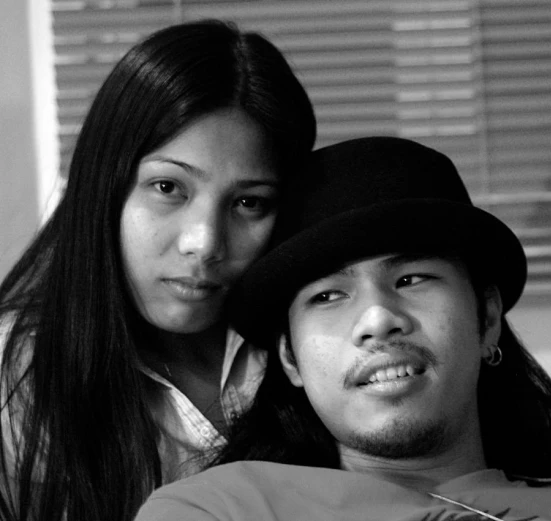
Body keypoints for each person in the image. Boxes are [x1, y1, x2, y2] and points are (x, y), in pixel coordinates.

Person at [133, 137, 551, 521]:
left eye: (412, 277)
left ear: (488, 317)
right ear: (289, 360)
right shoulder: (217, 511)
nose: (378, 319)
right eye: (329, 295)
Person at [0, 19, 315, 521]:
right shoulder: (18, 372)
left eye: (248, 203)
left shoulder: (316, 341)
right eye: (169, 188)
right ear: (107, 184)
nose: (204, 242)